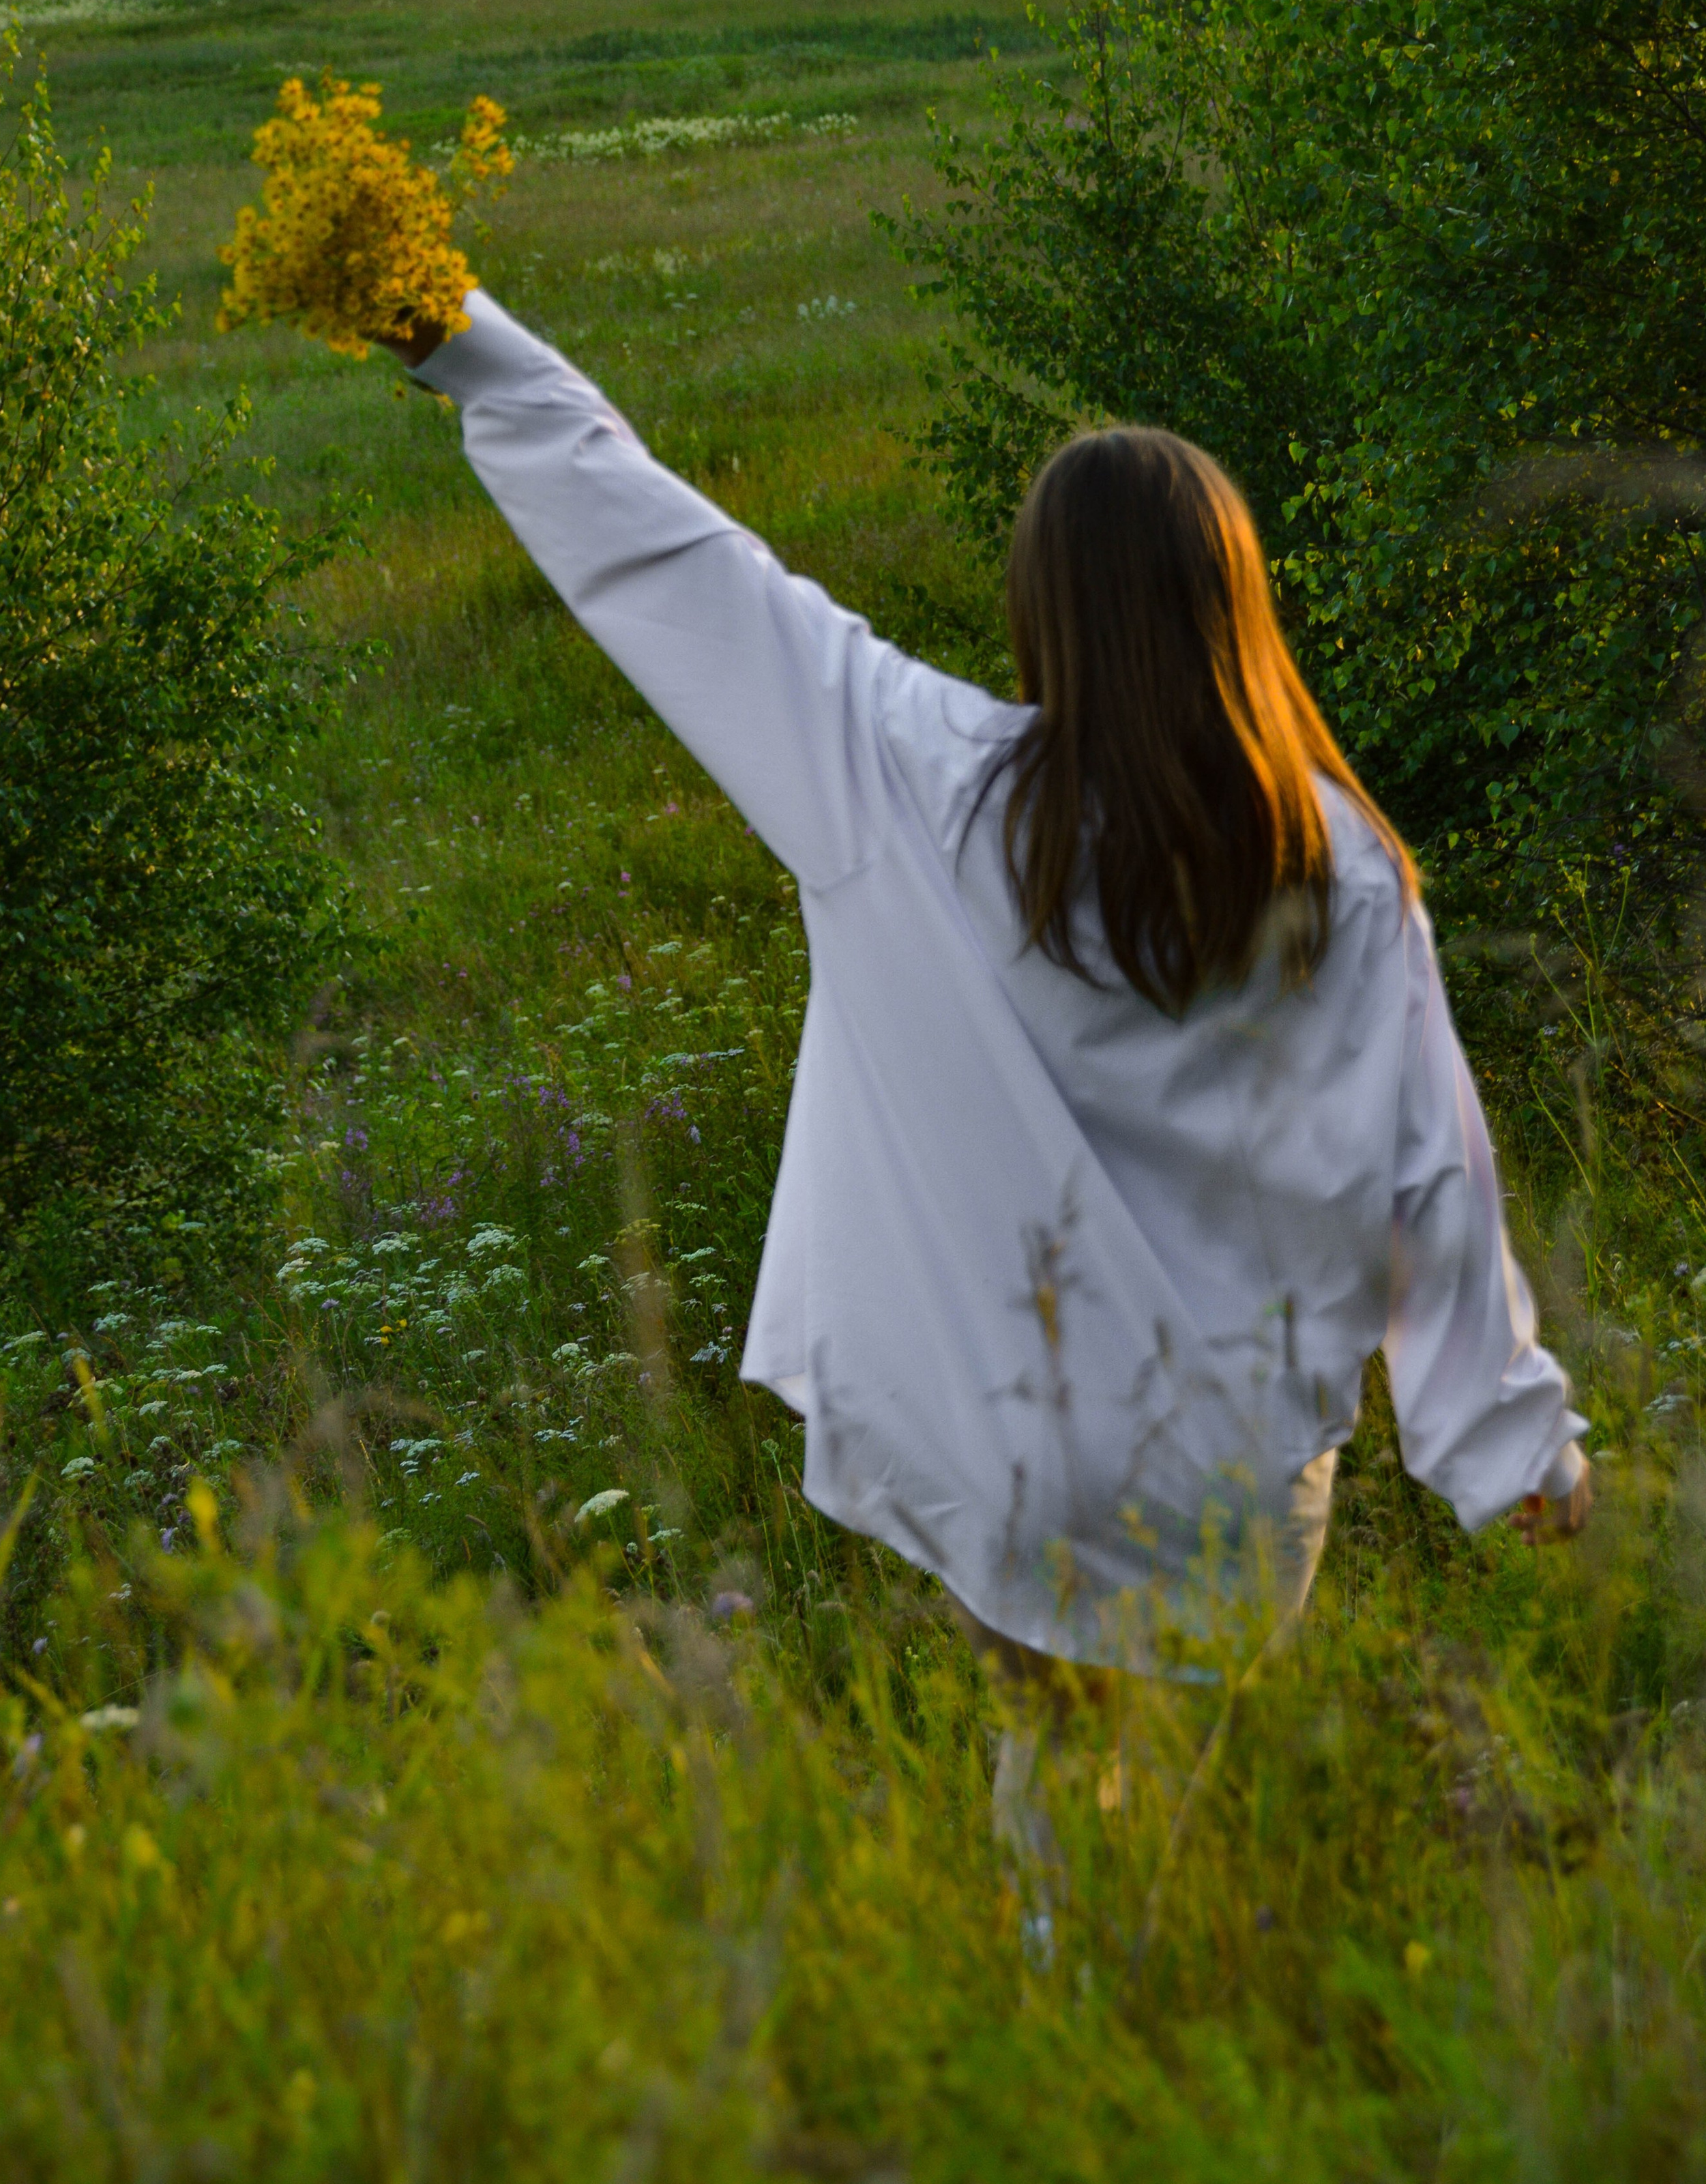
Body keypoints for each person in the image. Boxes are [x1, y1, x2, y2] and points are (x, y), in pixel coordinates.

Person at [379, 290, 1591, 1703]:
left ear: (1040, 613)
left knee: (1054, 1814)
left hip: (1020, 1451)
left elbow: (670, 558)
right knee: (1193, 1846)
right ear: (1233, 603)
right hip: (1239, 1485)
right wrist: (1508, 1448)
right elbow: (1431, 1177)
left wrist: (449, 329)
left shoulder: (919, 780)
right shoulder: (1339, 868)